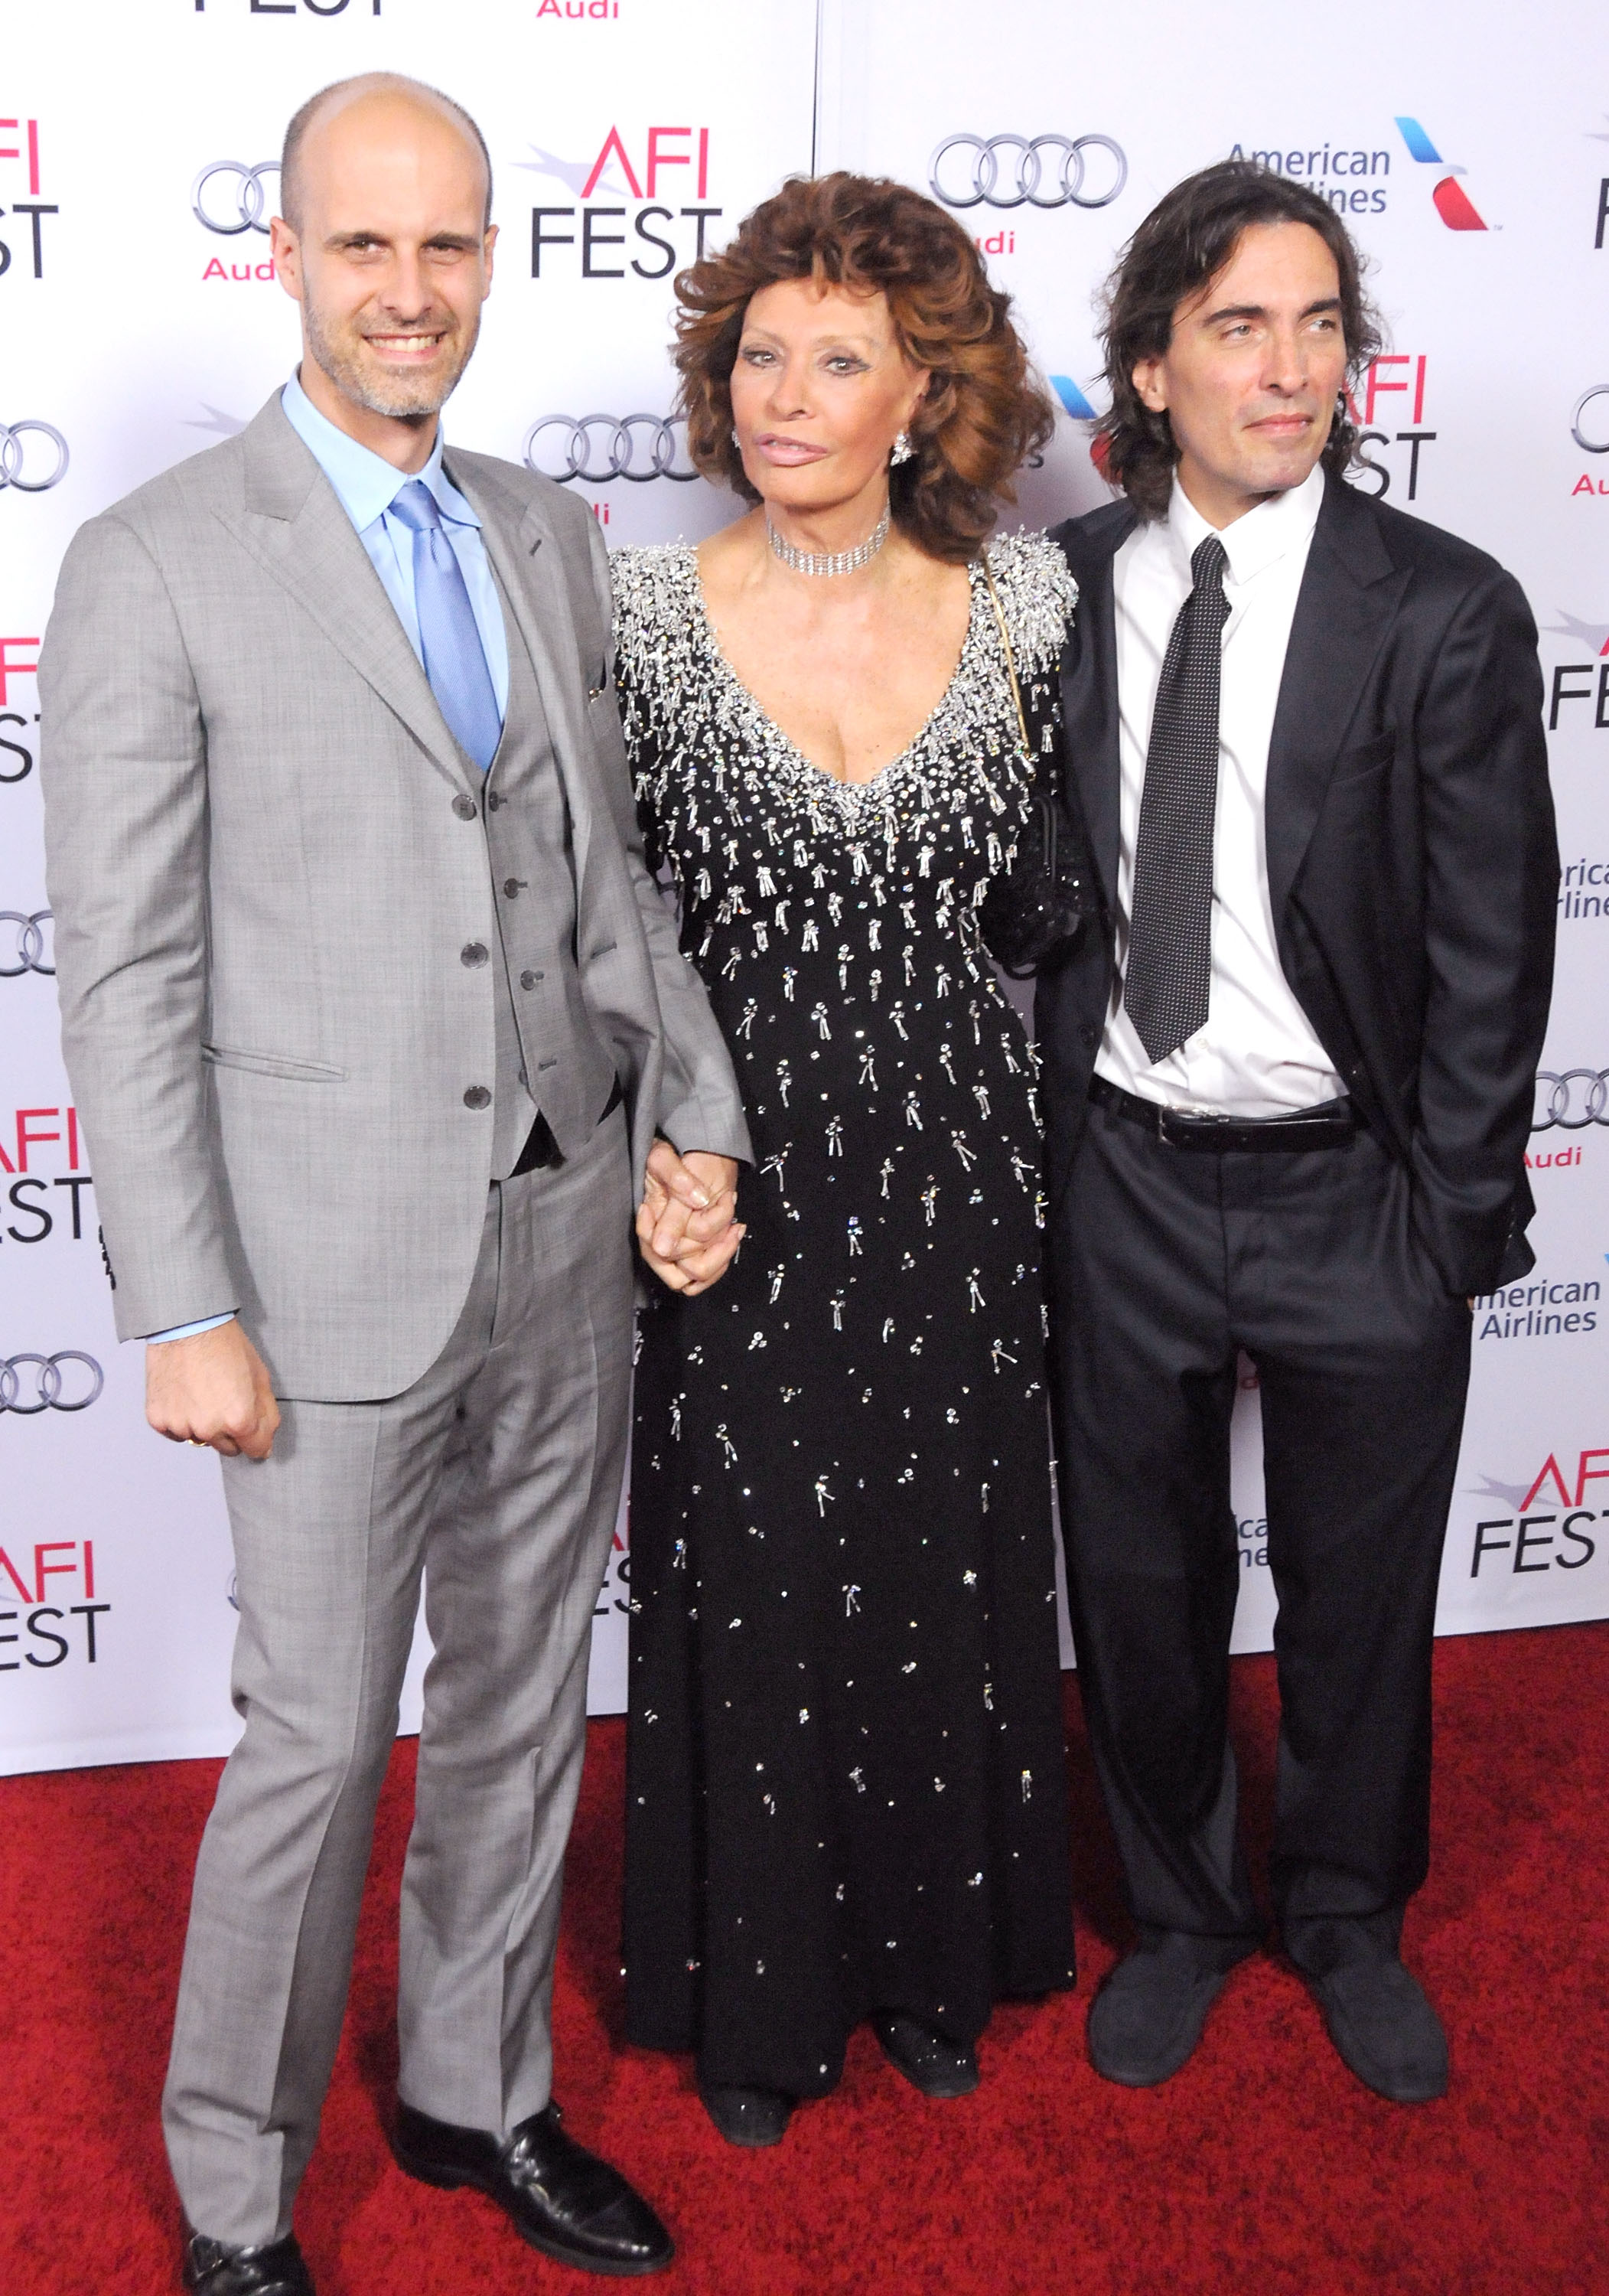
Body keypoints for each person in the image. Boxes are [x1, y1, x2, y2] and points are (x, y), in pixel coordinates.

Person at [40, 74, 748, 2296]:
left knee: (528, 1701)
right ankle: (238, 2202)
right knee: (319, 1746)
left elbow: (603, 885)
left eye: (449, 247)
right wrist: (182, 1305)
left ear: (487, 265)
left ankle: (478, 2095)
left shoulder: (547, 531)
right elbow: (130, 971)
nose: (412, 290)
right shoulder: (152, 558)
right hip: (319, 1273)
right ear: (287, 258)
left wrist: (691, 1120)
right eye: (369, 247)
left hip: (562, 1233)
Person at [1038, 160, 1557, 2104]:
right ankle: (1178, 1912)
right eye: (1238, 325)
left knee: (1360, 1586)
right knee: (1142, 1578)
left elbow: (1497, 946)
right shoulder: (1066, 587)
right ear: (1152, 363)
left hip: (1357, 1188)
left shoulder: (1441, 607)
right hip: (1127, 1174)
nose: (1289, 367)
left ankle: (1341, 1911)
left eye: (1319, 322)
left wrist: (1449, 1219)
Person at [612, 172, 1079, 2149]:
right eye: (758, 354)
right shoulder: (634, 615)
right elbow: (595, 916)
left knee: (937, 1566)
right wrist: (653, 1141)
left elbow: (1064, 909)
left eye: (840, 360)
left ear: (921, 395)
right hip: (735, 1186)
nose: (784, 394)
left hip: (967, 1180)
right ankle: (758, 1997)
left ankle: (928, 1968)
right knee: (762, 1578)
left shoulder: (1035, 608)